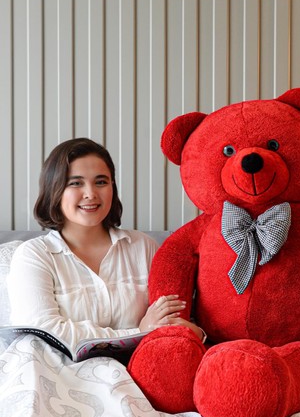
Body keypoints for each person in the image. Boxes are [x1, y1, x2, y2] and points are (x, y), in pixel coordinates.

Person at [7, 137, 205, 356]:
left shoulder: (144, 247)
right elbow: (43, 333)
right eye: (76, 183)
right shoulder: (34, 255)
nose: (90, 193)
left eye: (101, 182)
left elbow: (177, 320)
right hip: (56, 370)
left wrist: (193, 332)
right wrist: (140, 332)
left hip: (139, 367)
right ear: (55, 189)